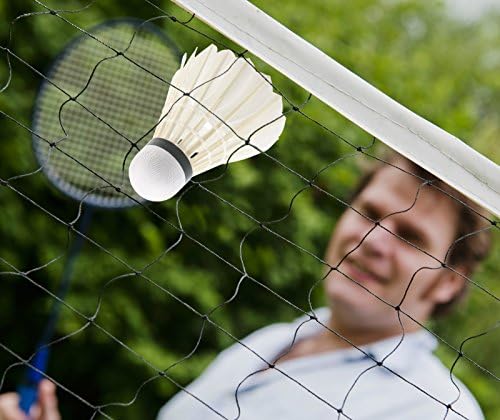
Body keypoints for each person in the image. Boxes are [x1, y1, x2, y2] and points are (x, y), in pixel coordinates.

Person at [0, 153, 491, 419]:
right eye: (370, 212)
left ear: (450, 281)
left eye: (410, 237)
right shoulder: (269, 342)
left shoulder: (437, 412)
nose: (374, 241)